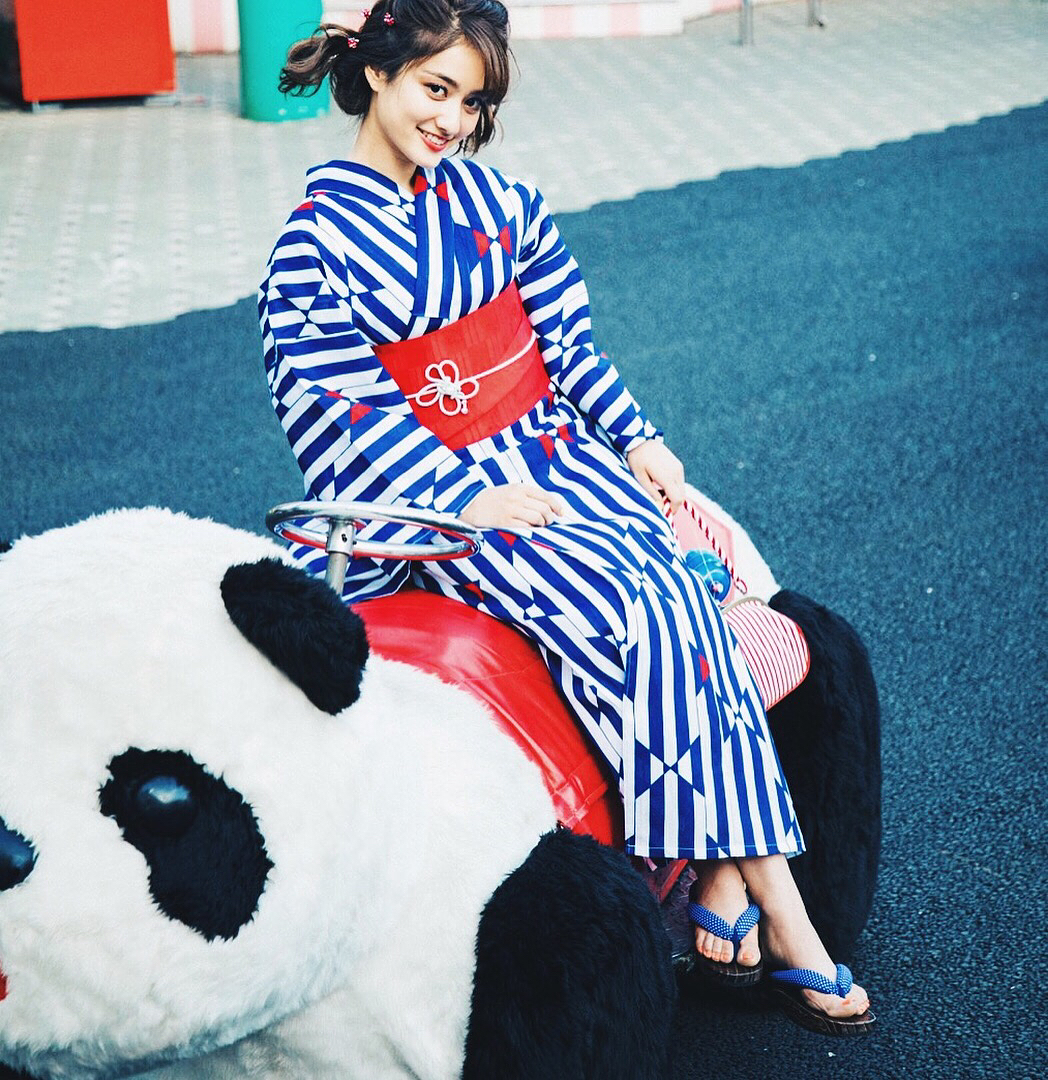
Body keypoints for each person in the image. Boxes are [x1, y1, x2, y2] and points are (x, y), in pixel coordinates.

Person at [259, 0, 873, 1036]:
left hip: (554, 454)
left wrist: (638, 439)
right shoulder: (311, 249)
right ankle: (783, 909)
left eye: (472, 101)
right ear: (376, 73)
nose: (452, 120)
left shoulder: (503, 202)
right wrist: (461, 497)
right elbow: (337, 414)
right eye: (435, 89)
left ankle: (723, 875)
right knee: (638, 605)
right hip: (437, 503)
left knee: (686, 577)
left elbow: (569, 348)